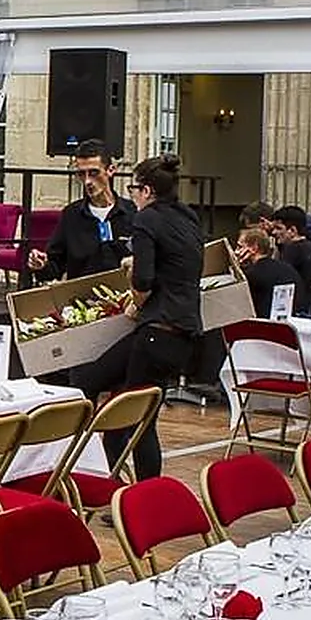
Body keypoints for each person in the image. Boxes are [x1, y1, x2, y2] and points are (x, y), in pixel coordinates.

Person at [72, 154, 203, 482]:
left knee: (130, 421)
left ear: (146, 190)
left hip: (157, 331)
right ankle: (131, 489)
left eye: (134, 189)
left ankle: (128, 493)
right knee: (134, 411)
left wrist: (135, 298)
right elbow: (176, 266)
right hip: (183, 332)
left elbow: (144, 281)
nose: (133, 196)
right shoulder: (187, 217)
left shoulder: (146, 220)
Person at [27, 139, 136, 282]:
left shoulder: (133, 213)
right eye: (81, 174)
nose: (87, 181)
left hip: (125, 299)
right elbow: (54, 267)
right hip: (82, 299)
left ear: (110, 170)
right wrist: (41, 264)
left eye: (94, 173)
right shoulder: (71, 215)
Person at [236, 227, 309, 317]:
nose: (236, 252)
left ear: (254, 248)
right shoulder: (286, 268)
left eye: (240, 247)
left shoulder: (253, 274)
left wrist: (236, 266)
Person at [268, 205, 311, 294]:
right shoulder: (308, 246)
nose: (274, 232)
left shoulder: (293, 249)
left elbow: (278, 279)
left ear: (292, 230)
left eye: (279, 228)